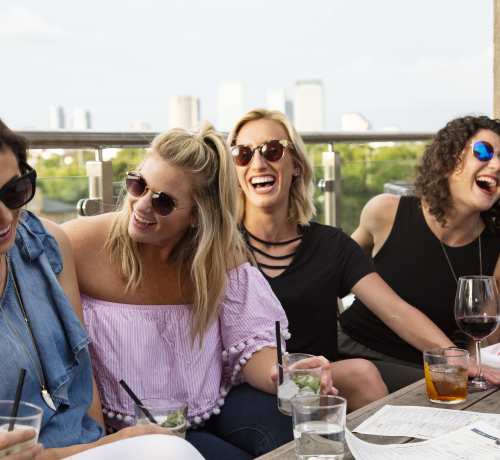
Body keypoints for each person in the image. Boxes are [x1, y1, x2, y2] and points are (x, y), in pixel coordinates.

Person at [63, 124, 325, 460]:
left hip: (211, 408)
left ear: (197, 218)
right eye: (138, 185)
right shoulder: (78, 244)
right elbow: (67, 354)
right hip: (132, 428)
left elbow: (253, 343)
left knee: (294, 433)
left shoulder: (221, 256)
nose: (142, 205)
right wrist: (96, 441)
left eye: (163, 202)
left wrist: (281, 373)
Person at [227, 109, 500, 397]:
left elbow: (396, 309)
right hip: (322, 363)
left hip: (348, 376)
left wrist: (459, 361)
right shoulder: (219, 249)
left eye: (272, 150)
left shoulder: (329, 245)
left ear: (296, 164)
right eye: (242, 154)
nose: (257, 162)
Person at [0, 119, 200, 459]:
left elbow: (81, 376)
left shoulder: (47, 248)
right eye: (138, 187)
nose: (5, 218)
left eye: (13, 193)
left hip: (80, 450)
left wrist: (103, 443)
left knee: (174, 450)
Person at [340, 115, 500, 368]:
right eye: (484, 151)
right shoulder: (386, 212)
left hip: (434, 368)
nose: (496, 164)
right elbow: (335, 272)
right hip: (355, 352)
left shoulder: (495, 248)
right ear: (448, 160)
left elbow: (482, 344)